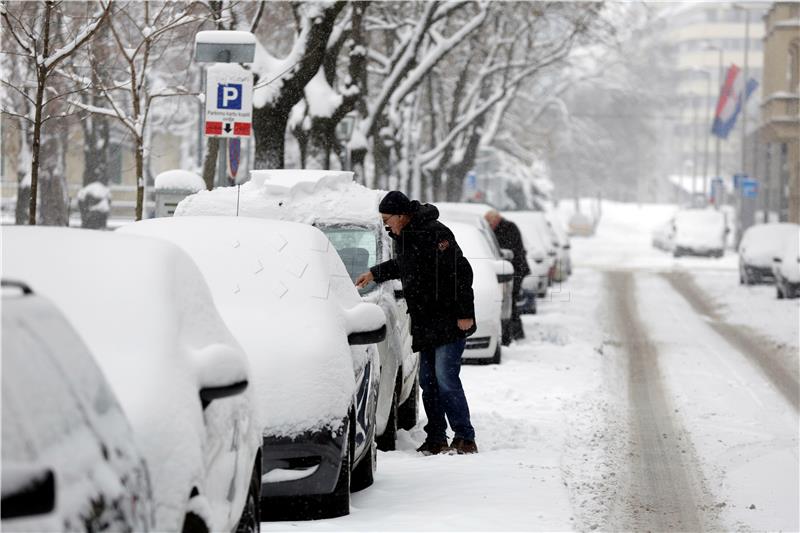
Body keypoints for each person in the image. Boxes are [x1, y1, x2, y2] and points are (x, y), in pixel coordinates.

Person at [355, 191, 479, 455]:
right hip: (425, 320)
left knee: (446, 378)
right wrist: (374, 274)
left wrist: (465, 313)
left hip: (448, 318)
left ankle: (464, 437)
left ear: (402, 214)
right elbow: (404, 265)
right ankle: (436, 437)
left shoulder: (436, 233)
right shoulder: (403, 236)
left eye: (388, 218)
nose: (385, 224)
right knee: (428, 381)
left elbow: (461, 272)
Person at [484, 209, 530, 342]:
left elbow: (512, 250)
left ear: (496, 220)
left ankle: (513, 332)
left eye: (489, 222)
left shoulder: (509, 228)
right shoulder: (496, 229)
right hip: (510, 269)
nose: (489, 225)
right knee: (510, 302)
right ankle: (515, 332)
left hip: (515, 270)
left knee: (511, 301)